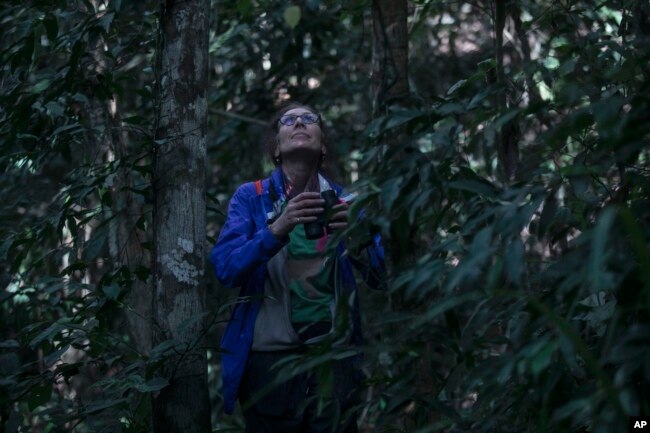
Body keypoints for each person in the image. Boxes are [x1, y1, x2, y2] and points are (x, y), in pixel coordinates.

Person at [210, 102, 384, 433]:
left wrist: (358, 236)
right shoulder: (252, 197)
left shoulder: (345, 201)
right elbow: (226, 268)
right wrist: (277, 229)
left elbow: (381, 277)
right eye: (288, 121)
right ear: (276, 147)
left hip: (333, 358)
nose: (299, 123)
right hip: (270, 360)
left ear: (323, 145)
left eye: (309, 119)